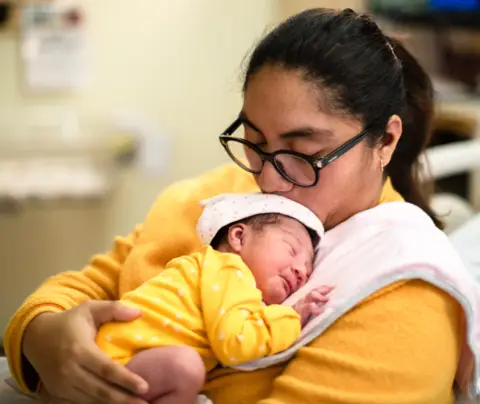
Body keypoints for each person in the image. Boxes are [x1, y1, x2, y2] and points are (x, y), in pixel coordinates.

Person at [3, 7, 467, 404]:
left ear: (385, 140)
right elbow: (88, 285)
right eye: (255, 142)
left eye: (302, 151)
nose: (267, 177)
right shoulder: (220, 201)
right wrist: (43, 338)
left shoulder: (404, 288)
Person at [95, 193, 329, 404]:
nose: (301, 270)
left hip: (119, 363)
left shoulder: (211, 273)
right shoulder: (229, 269)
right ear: (238, 237)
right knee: (184, 367)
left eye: (308, 267)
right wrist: (292, 317)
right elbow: (237, 343)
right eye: (291, 249)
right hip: (115, 363)